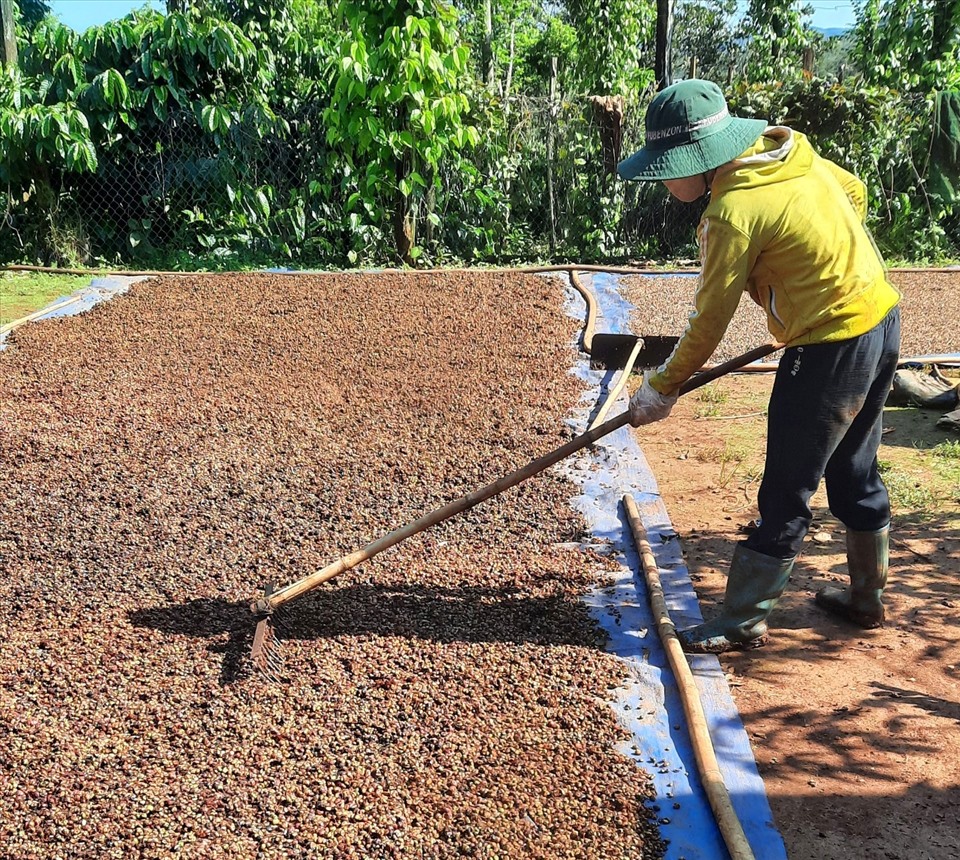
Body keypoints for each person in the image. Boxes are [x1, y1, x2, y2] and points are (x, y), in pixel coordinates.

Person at [617, 79, 901, 654]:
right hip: (880, 318)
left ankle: (743, 619)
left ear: (700, 161)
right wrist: (821, 267)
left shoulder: (732, 211)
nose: (663, 179)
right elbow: (854, 190)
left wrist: (662, 388)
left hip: (828, 348)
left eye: (667, 167)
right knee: (854, 470)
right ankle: (866, 600)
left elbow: (708, 321)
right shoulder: (791, 152)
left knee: (786, 487)